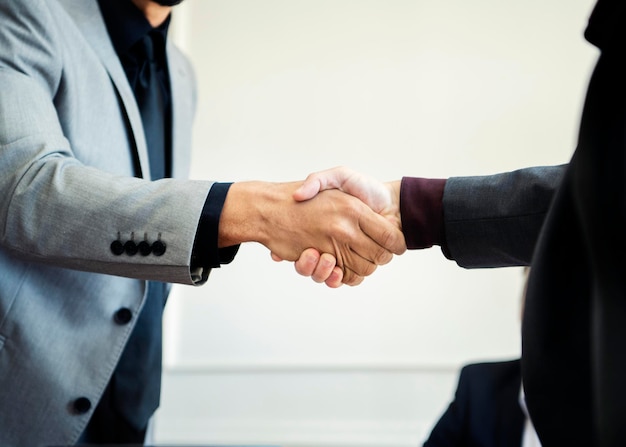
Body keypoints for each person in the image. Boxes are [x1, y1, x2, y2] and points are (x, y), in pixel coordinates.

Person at [0, 0, 406, 445]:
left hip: (135, 409)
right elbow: (25, 189)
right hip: (25, 403)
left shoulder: (181, 73)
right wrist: (261, 212)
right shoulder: (24, 12)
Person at [289, 0, 626, 445]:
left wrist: (405, 208)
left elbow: (599, 193)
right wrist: (404, 207)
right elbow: (589, 193)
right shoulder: (479, 389)